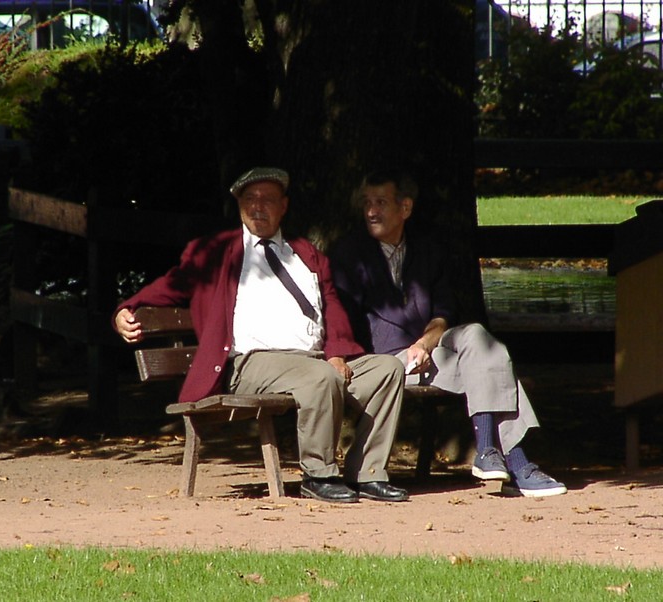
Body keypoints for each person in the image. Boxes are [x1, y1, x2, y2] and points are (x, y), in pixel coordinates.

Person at [113, 167, 408, 503]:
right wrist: (127, 308)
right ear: (239, 206)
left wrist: (337, 352)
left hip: (312, 362)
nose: (257, 206)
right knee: (321, 377)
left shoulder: (305, 254)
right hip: (252, 364)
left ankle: (367, 473)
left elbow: (333, 307)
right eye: (249, 199)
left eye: (267, 199)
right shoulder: (214, 251)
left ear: (284, 206)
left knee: (387, 370)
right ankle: (318, 474)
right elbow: (171, 285)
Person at [329, 170, 567, 498]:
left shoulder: (427, 249)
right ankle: (519, 463)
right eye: (367, 203)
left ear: (405, 208)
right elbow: (339, 320)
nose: (371, 211)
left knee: (481, 343)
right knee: (493, 367)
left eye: (381, 203)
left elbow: (443, 313)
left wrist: (424, 343)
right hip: (382, 362)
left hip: (426, 350)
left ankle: (487, 452)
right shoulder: (348, 254)